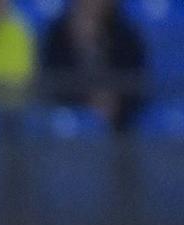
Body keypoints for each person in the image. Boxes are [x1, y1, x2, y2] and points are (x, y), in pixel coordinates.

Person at [41, 0, 147, 131]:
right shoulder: (58, 34)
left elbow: (138, 80)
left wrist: (115, 101)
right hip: (72, 112)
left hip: (120, 117)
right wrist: (81, 46)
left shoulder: (125, 34)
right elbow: (52, 81)